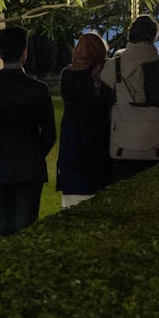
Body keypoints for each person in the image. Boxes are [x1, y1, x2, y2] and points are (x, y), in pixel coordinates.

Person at [0, 26, 56, 236]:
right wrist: (34, 153)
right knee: (27, 227)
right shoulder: (38, 89)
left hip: (0, 163)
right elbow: (49, 133)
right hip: (30, 165)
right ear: (24, 54)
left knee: (6, 225)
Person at [100, 15, 159, 182]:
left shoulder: (113, 66)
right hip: (155, 144)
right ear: (154, 37)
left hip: (121, 143)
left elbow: (105, 103)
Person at [55, 33, 112, 209]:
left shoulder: (67, 74)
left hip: (72, 140)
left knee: (73, 199)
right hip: (98, 140)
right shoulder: (103, 74)